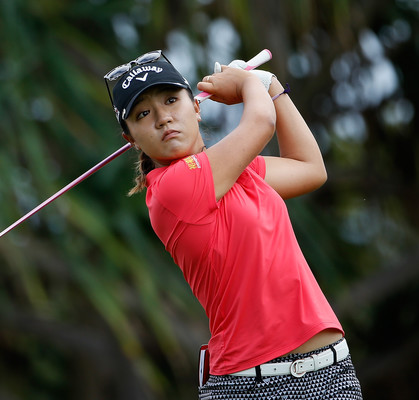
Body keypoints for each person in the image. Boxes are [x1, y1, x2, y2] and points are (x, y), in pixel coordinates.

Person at [103, 50, 363, 399]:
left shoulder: (238, 172)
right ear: (130, 138)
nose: (163, 118)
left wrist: (270, 85)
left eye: (171, 100)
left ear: (196, 106)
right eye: (143, 114)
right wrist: (247, 83)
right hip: (253, 386)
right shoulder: (171, 190)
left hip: (332, 374)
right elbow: (260, 124)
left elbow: (310, 167)